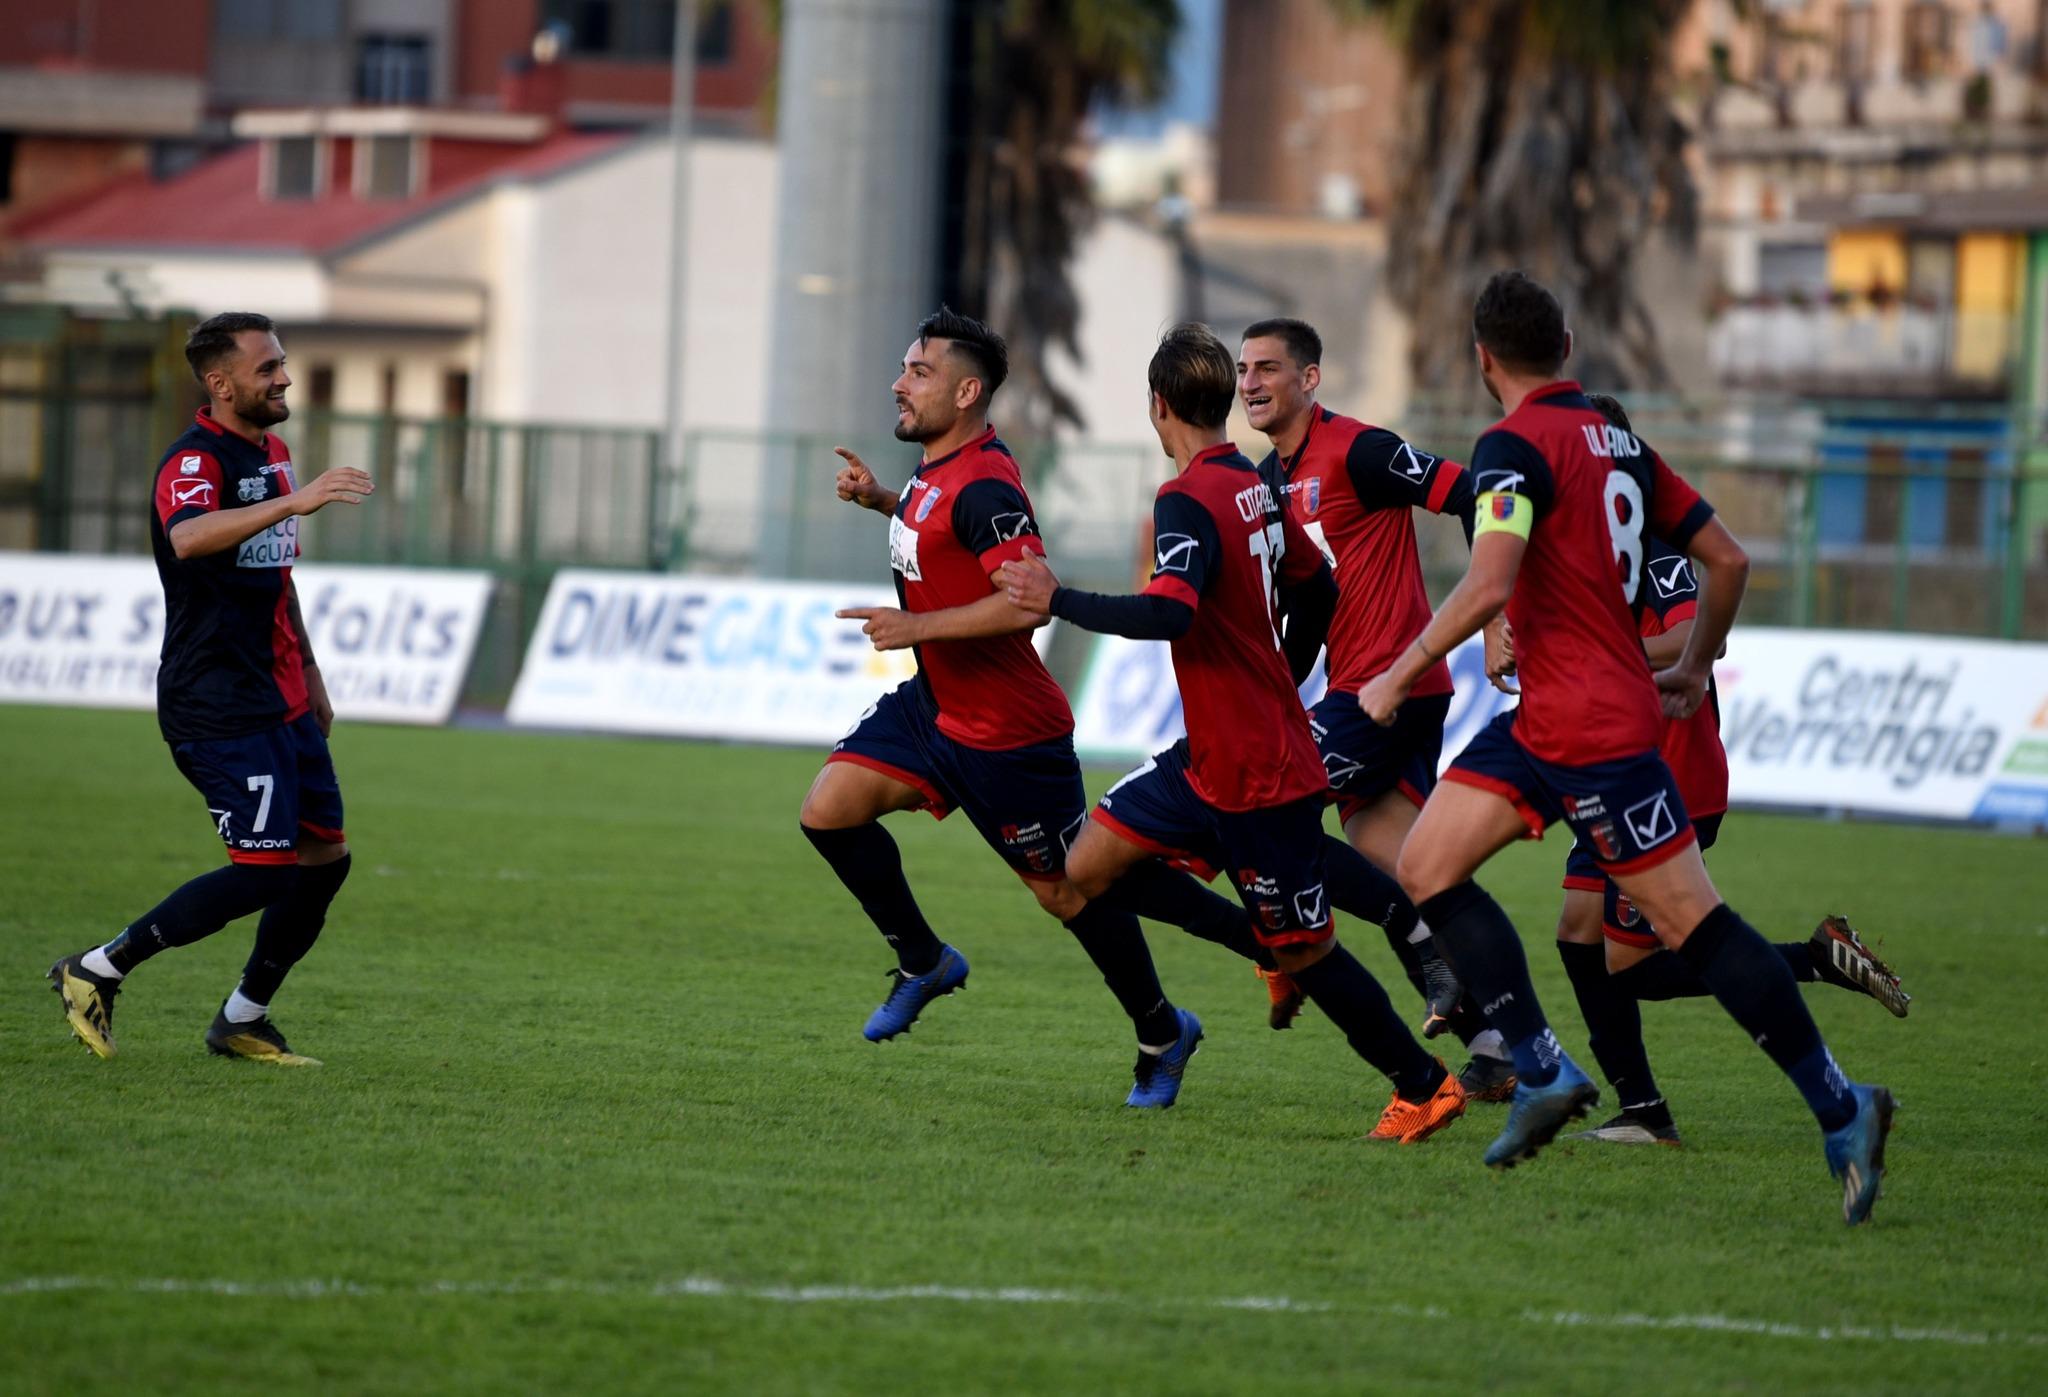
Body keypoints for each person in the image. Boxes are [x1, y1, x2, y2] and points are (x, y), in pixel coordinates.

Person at [1360, 271, 1895, 1222]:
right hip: (1564, 721)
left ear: (1484, 358)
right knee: (1427, 862)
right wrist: (1694, 662)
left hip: (1588, 727)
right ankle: (1543, 1068)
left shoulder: (1511, 446)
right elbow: (1730, 556)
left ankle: (1843, 1104)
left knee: (1694, 926)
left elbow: (1488, 585)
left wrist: (1398, 674)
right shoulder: (1619, 443)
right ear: (1564, 346)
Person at [1001, 323, 1467, 1144]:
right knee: (1089, 866)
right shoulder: (1257, 489)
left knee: (1307, 952)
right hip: (1214, 752)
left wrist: (1057, 598)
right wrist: (1281, 676)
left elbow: (1170, 609)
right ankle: (1262, 935)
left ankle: (1424, 1085)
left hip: (1259, 771)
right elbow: (1316, 588)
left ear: (1157, 406)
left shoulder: (1188, 497)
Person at [799, 308, 1254, 1107]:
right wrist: (882, 500)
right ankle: (923, 960)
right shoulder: (942, 471)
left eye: (920, 372)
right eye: (906, 368)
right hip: (936, 705)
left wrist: (914, 625)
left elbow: (1026, 605)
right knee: (829, 811)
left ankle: (1164, 1027)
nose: (900, 383)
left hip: (1011, 734)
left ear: (968, 391)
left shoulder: (986, 485)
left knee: (1070, 892)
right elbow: (939, 529)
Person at [1533, 393, 1910, 1148]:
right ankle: (1642, 1109)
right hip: (1612, 773)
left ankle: (1814, 961)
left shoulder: (1659, 551)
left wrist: (1597, 663)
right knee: (1578, 936)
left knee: (1635, 964)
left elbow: (1687, 637)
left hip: (1669, 778)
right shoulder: (1586, 552)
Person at [47, 311, 374, 1066]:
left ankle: (243, 1018)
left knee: (326, 857)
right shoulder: (192, 461)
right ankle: (96, 967)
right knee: (263, 869)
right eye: (267, 368)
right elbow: (190, 536)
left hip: (284, 695)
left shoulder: (276, 452)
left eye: (281, 362)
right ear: (220, 383)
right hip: (217, 700)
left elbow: (276, 574)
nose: (284, 376)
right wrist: (296, 501)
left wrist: (314, 669)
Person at [1236, 317, 1515, 1100]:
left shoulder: (1360, 447)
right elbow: (1295, 606)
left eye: (1268, 368)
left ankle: (1311, 947)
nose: (1251, 383)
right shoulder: (1263, 480)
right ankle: (1498, 1045)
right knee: (1406, 874)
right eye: (1242, 369)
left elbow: (1474, 492)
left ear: (1310, 378)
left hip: (1391, 690)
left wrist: (1496, 616)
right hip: (1348, 694)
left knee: (1266, 818)